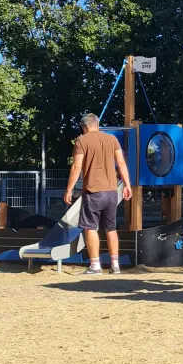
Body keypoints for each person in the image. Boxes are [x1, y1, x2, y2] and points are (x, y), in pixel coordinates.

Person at [63, 114, 133, 275]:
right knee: (111, 228)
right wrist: (127, 185)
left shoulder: (82, 140)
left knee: (90, 228)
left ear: (83, 127)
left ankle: (95, 266)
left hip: (93, 191)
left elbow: (76, 167)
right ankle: (115, 265)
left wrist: (69, 189)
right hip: (111, 192)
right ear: (97, 124)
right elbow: (121, 164)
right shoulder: (111, 140)